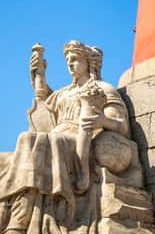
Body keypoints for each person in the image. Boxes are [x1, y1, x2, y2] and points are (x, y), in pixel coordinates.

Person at [0, 41, 131, 234]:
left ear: (88, 62)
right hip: (54, 138)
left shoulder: (103, 88)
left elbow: (122, 125)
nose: (70, 64)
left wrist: (101, 120)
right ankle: (10, 213)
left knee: (30, 139)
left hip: (76, 140)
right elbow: (44, 110)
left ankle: (19, 221)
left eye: (75, 59)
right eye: (68, 60)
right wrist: (40, 77)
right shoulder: (63, 92)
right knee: (5, 159)